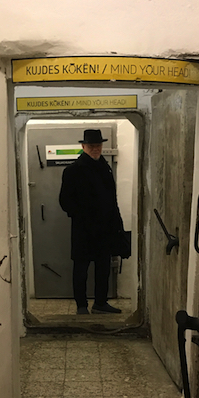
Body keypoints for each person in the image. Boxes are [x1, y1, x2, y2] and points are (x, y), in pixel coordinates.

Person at [59, 129, 124, 314]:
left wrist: (116, 224)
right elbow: (65, 201)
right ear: (83, 146)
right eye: (92, 146)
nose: (96, 149)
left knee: (103, 267)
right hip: (84, 229)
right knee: (81, 268)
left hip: (105, 229)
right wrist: (84, 217)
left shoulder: (105, 168)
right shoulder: (73, 170)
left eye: (98, 145)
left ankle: (100, 303)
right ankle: (81, 305)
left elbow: (112, 200)